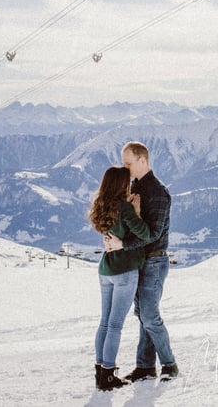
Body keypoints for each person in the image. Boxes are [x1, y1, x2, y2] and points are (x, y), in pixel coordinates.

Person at [103, 141, 179, 382]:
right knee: (142, 314)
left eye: (128, 163)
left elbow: (154, 233)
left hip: (154, 261)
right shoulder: (133, 187)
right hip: (138, 261)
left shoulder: (157, 192)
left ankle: (170, 364)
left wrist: (123, 245)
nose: (125, 169)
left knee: (150, 316)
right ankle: (145, 366)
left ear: (142, 160)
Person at [89, 166, 152, 392]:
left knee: (104, 322)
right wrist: (136, 211)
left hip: (106, 269)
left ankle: (100, 372)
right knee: (115, 325)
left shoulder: (101, 206)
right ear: (120, 185)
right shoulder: (124, 209)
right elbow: (145, 234)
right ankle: (108, 375)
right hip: (125, 270)